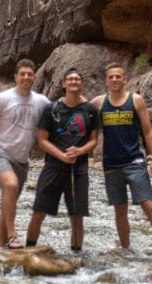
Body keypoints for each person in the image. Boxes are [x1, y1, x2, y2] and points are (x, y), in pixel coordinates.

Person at [91, 63, 152, 255]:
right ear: (106, 80)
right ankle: (126, 249)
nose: (114, 80)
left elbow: (148, 131)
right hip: (111, 163)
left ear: (125, 79)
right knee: (120, 209)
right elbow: (79, 109)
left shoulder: (136, 101)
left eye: (118, 76)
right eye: (111, 77)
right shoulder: (99, 103)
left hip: (134, 161)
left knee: (148, 203)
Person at [0, 58, 50, 249]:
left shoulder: (41, 102)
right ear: (16, 77)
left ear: (34, 77)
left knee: (9, 204)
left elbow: (58, 116)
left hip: (22, 160)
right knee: (10, 185)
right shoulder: (3, 98)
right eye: (22, 74)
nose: (26, 77)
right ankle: (12, 234)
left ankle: (1, 249)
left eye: (29, 74)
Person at [26, 68, 99, 251]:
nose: (74, 82)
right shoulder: (51, 110)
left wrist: (80, 150)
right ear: (63, 84)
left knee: (77, 215)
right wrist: (62, 156)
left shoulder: (90, 110)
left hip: (79, 169)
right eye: (70, 79)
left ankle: (76, 256)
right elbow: (42, 140)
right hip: (53, 167)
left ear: (81, 84)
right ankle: (28, 250)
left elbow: (94, 140)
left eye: (77, 79)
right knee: (39, 211)